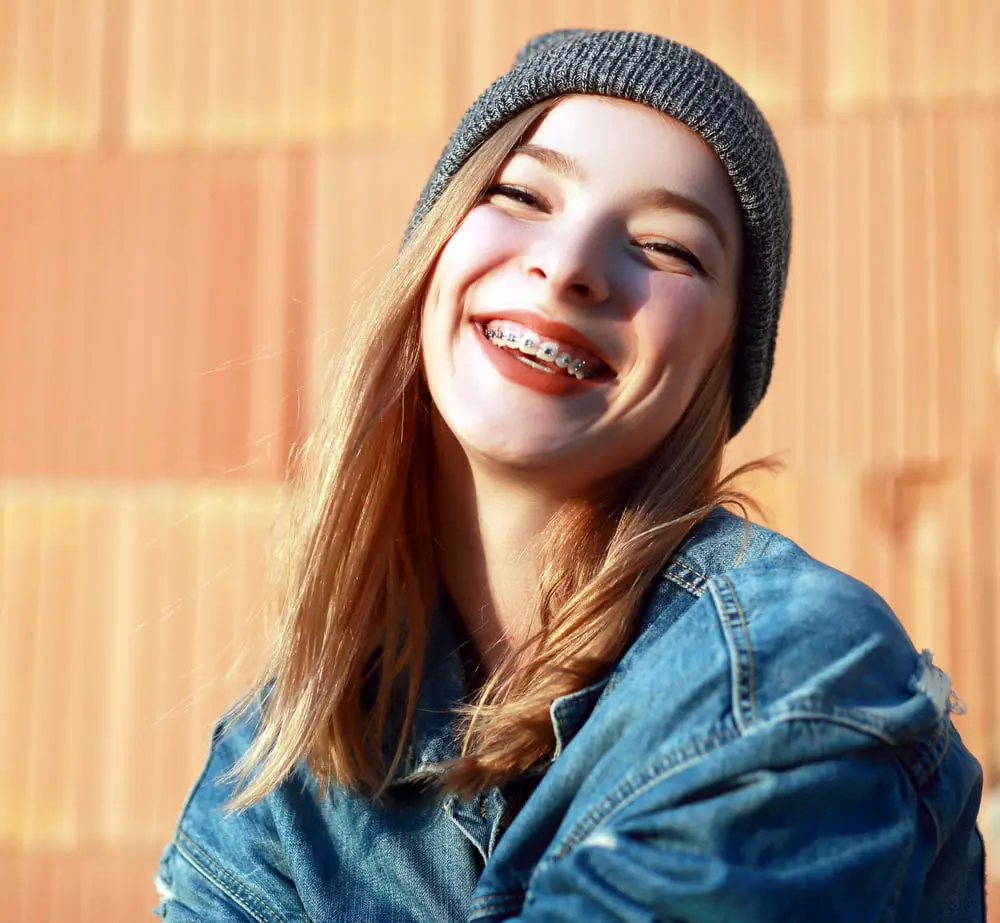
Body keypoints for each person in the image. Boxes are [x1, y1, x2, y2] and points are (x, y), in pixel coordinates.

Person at [153, 29, 985, 922]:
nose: (571, 266)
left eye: (669, 248)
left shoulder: (789, 668)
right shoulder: (279, 765)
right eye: (521, 193)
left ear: (719, 367)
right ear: (434, 249)